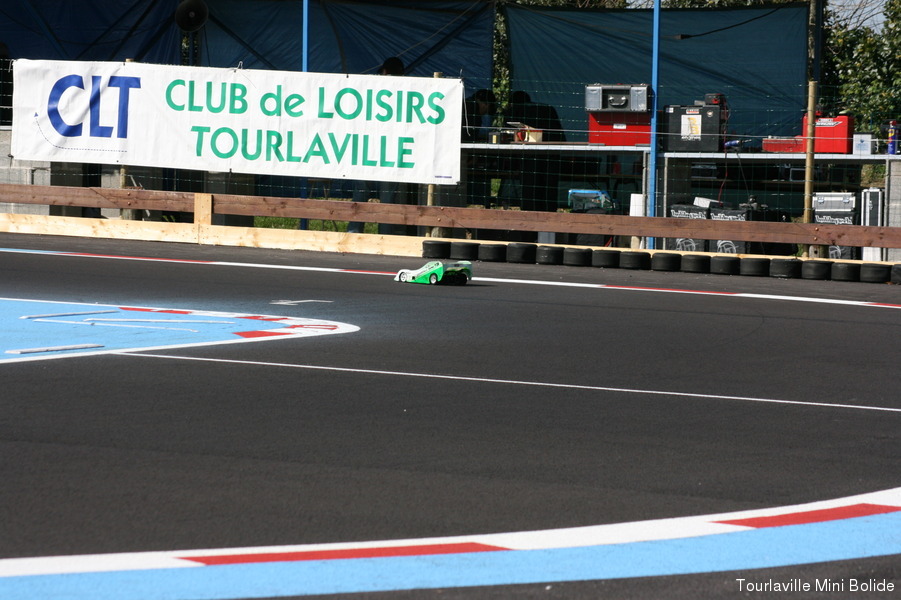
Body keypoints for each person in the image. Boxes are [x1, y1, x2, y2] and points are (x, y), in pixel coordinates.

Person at [347, 57, 407, 234]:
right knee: (387, 196)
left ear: (384, 71)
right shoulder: (406, 89)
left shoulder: (368, 86)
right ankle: (384, 235)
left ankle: (354, 232)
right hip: (391, 148)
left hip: (365, 147)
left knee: (361, 192)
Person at [505, 91, 565, 212]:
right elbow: (560, 136)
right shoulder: (547, 109)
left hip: (529, 158)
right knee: (549, 191)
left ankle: (530, 217)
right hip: (551, 156)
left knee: (530, 192)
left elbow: (510, 136)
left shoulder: (515, 111)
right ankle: (550, 216)